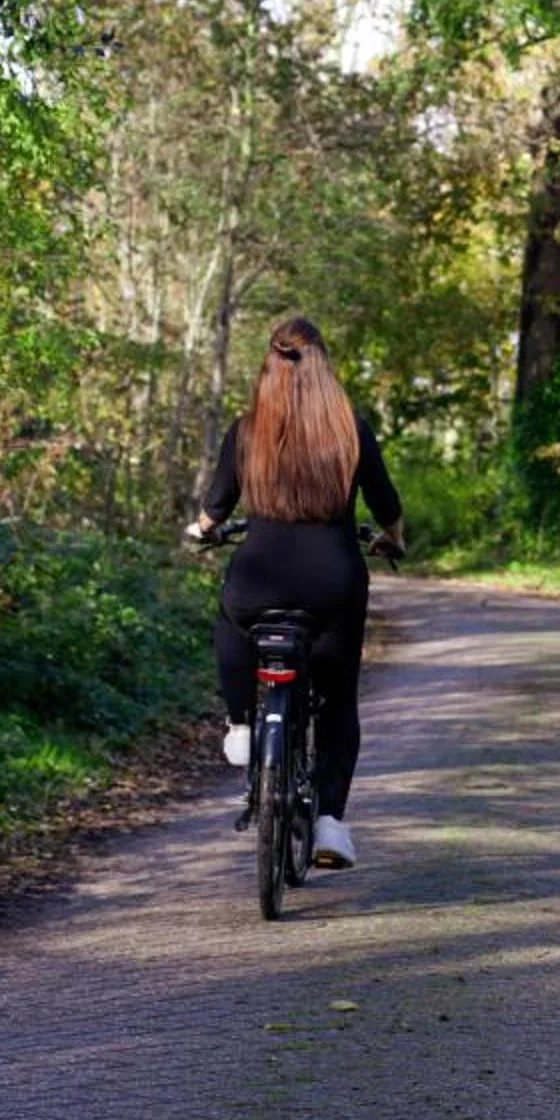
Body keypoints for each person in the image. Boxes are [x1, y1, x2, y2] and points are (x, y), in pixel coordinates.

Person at [187, 317, 405, 871]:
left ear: (269, 369)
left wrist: (202, 530)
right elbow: (386, 504)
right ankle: (331, 821)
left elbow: (215, 508)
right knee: (337, 698)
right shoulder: (350, 430)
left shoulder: (247, 431)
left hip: (259, 577)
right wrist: (392, 538)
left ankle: (240, 723)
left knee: (231, 619)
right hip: (333, 582)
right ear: (325, 370)